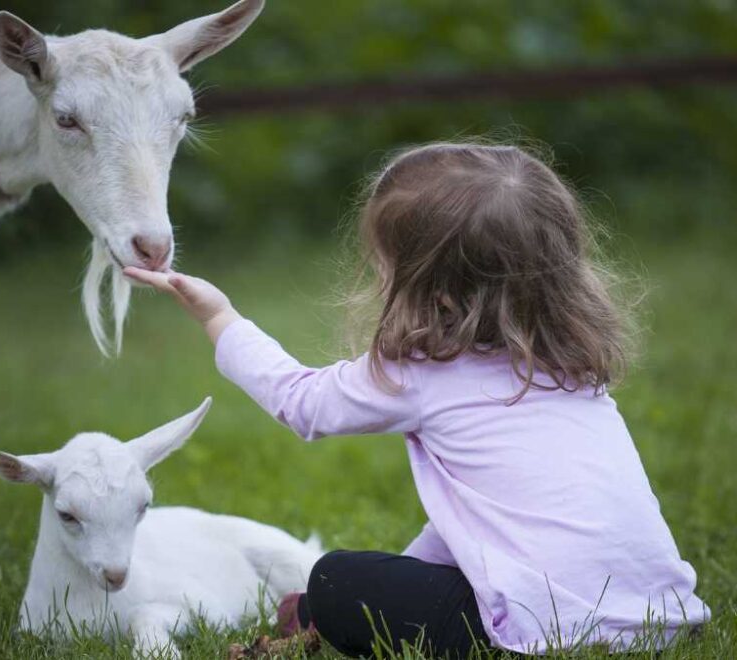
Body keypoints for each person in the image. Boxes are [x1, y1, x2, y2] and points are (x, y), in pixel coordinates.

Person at [125, 143, 709, 657]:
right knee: (367, 581)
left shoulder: (423, 375)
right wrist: (404, 573)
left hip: (543, 628)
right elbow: (478, 526)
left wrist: (219, 316)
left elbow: (300, 402)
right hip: (658, 618)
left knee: (335, 580)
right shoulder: (575, 371)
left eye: (384, 264)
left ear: (432, 288)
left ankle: (316, 614)